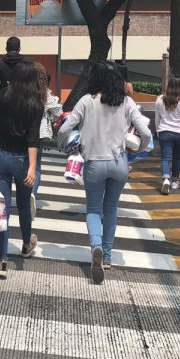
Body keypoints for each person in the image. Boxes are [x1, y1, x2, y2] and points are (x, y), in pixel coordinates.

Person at [57, 61, 151, 285]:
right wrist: (138, 148)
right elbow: (146, 132)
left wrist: (63, 145)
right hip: (119, 163)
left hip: (94, 164)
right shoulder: (126, 102)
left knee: (93, 209)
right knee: (111, 209)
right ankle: (107, 256)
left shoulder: (86, 101)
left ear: (95, 78)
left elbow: (64, 129)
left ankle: (96, 246)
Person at [0, 59, 44, 278]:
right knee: (24, 204)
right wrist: (32, 167)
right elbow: (33, 138)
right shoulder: (35, 104)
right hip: (22, 160)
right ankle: (25, 245)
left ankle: (2, 260)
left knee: (1, 209)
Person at [32, 62, 63, 219]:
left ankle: (24, 194)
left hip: (22, 133)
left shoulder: (24, 92)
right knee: (36, 167)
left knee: (24, 164)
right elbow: (60, 112)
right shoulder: (48, 96)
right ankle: (32, 194)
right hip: (39, 135)